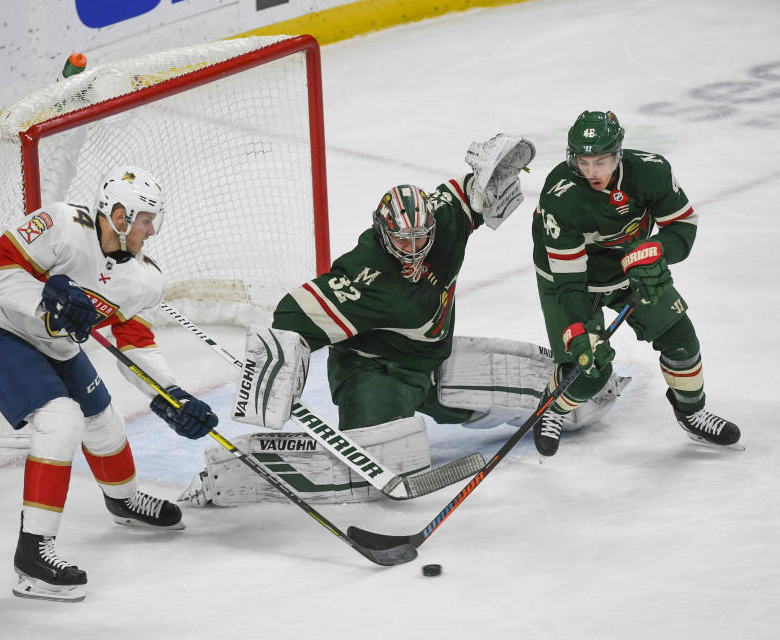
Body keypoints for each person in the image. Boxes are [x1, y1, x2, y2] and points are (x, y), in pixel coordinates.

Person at [179, 135, 625, 507]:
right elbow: (293, 312)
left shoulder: (444, 219)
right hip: (376, 374)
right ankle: (234, 477)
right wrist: (279, 368)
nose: (413, 248)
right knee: (377, 466)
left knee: (540, 383)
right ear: (382, 231)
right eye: (402, 239)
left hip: (432, 361)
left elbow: (474, 193)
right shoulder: (366, 272)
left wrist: (493, 175)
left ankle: (598, 392)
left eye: (419, 237)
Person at [0, 166, 218, 602]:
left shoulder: (143, 278)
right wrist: (45, 300)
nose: (152, 231)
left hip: (55, 348)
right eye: (146, 219)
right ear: (119, 215)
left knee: (104, 419)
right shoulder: (60, 223)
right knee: (61, 420)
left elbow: (135, 342)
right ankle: (32, 557)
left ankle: (124, 501)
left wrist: (171, 394)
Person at [530, 110, 741, 457]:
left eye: (601, 161)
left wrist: (657, 250)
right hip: (569, 281)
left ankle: (692, 413)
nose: (592, 171)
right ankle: (551, 407)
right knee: (589, 372)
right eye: (583, 162)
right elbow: (569, 281)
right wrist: (580, 331)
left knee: (681, 339)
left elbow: (683, 228)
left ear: (618, 153)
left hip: (630, 271)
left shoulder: (651, 171)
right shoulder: (560, 195)